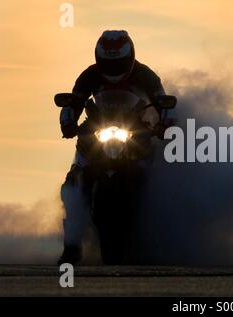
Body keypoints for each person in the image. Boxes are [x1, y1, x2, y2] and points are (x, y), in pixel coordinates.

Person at [57, 30, 169, 265]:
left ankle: (162, 236)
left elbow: (162, 101)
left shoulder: (145, 75)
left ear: (129, 58)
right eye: (108, 63)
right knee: (74, 180)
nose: (113, 67)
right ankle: (72, 246)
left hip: (136, 131)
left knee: (163, 179)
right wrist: (68, 122)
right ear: (99, 59)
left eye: (118, 63)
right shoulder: (89, 75)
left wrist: (163, 123)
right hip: (96, 130)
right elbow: (73, 101)